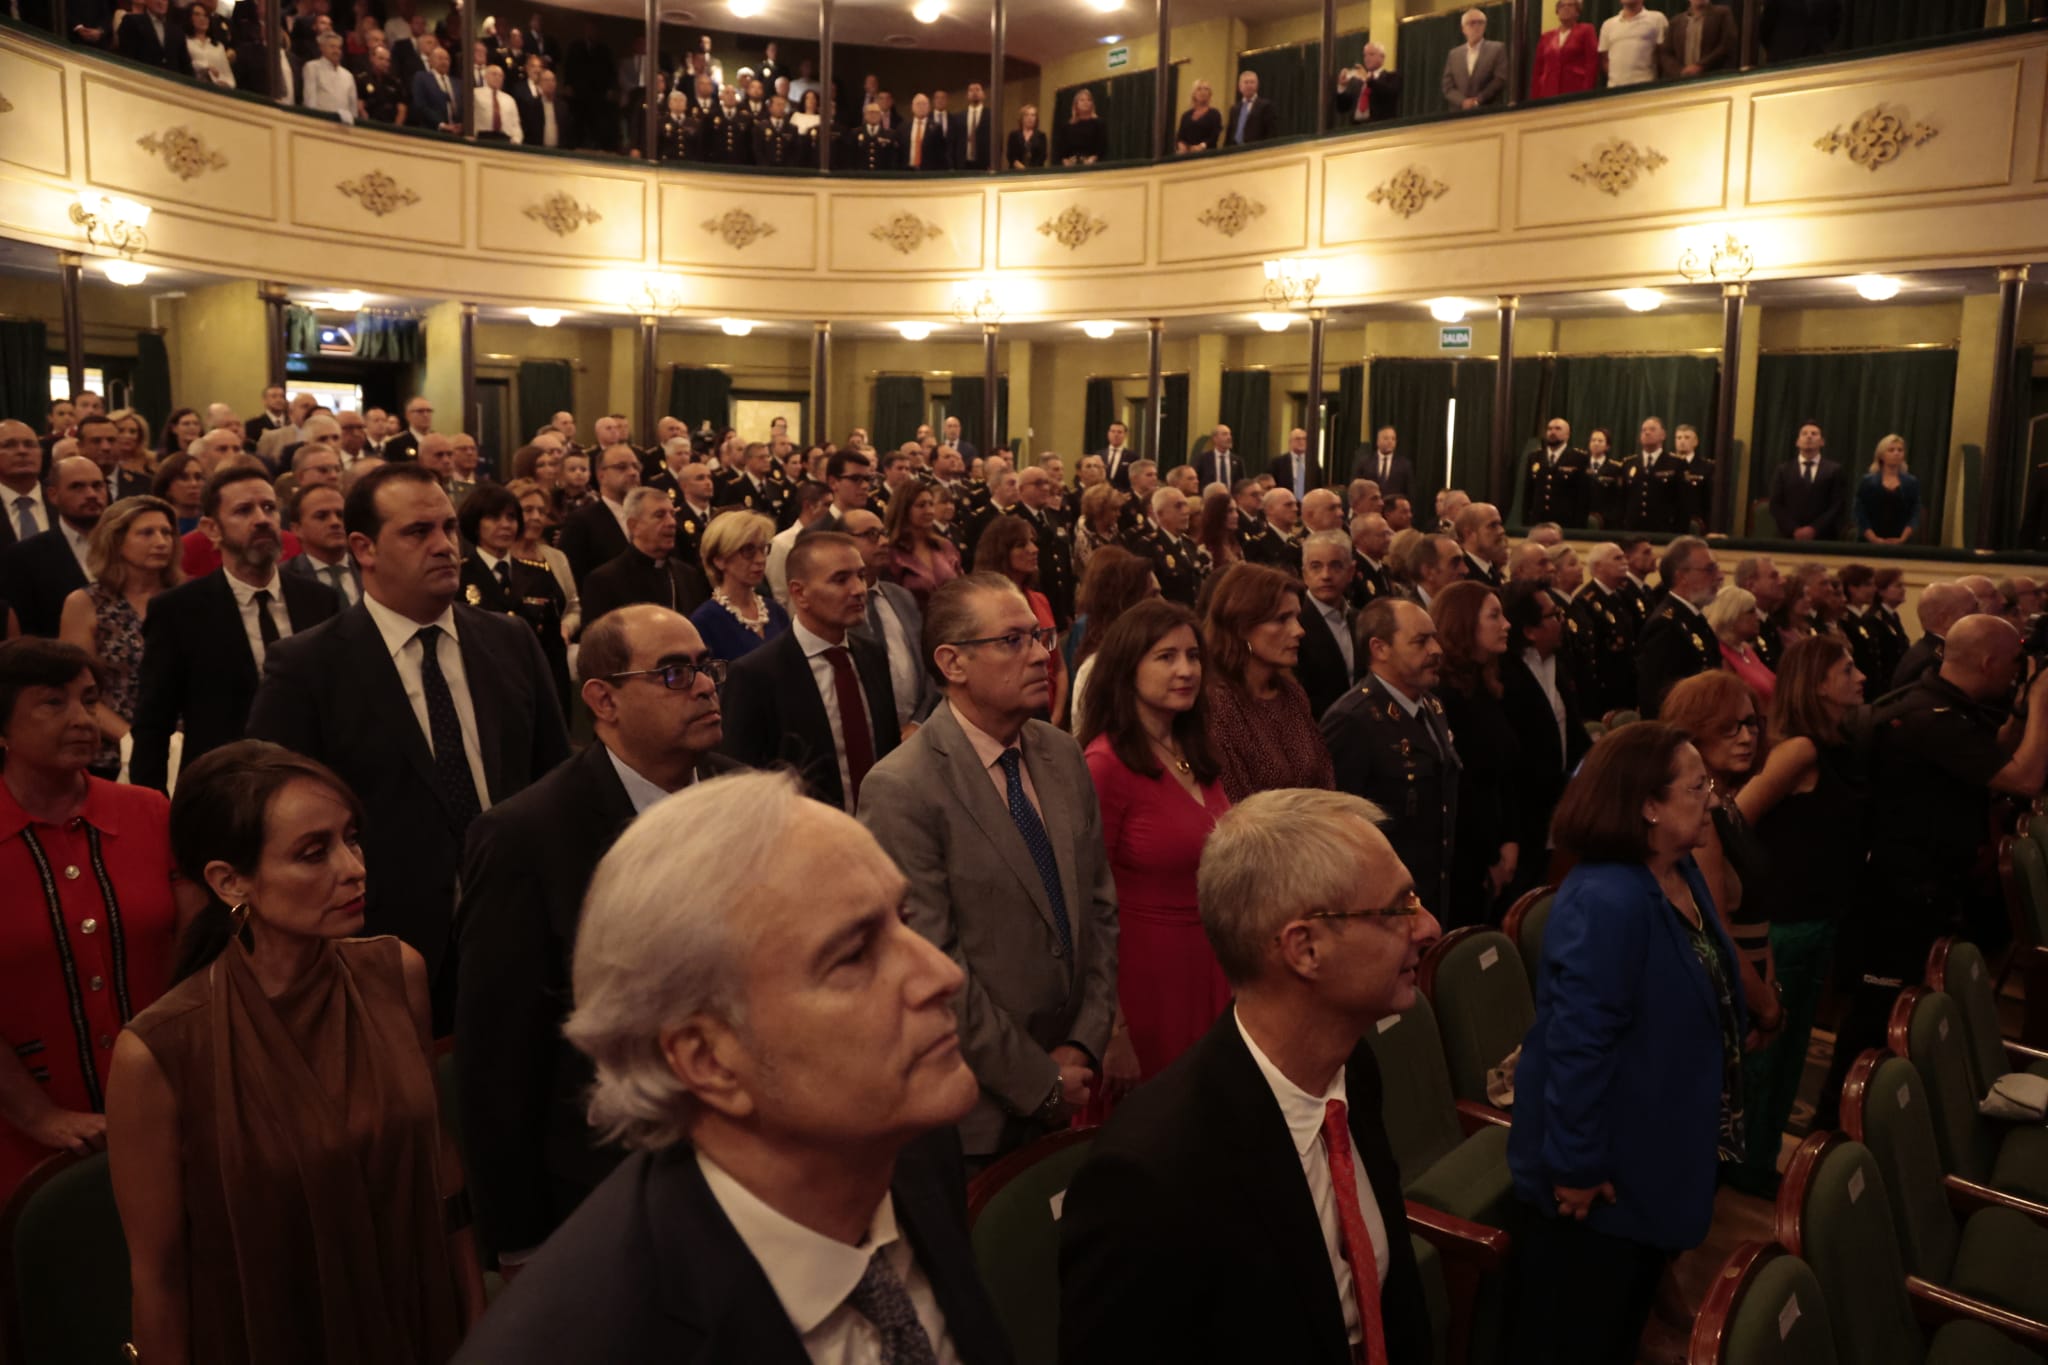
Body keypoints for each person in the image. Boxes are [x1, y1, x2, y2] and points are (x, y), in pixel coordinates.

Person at [449, 768, 1012, 1363]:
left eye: (906, 920)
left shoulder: (909, 1150)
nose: (942, 976)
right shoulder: (580, 1341)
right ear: (709, 1061)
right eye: (852, 956)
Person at [108, 741, 484, 1363]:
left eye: (351, 838)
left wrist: (476, 1316)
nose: (353, 867)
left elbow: (440, 1169)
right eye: (313, 853)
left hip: (419, 1318)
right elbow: (159, 1277)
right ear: (231, 881)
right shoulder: (160, 1051)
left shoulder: (397, 973)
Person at [1060, 787, 1437, 1365]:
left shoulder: (1352, 1069)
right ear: (1304, 949)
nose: (1429, 926)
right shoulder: (1149, 1174)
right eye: (1399, 908)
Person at [455, 606, 740, 1266]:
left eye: (705, 667)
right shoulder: (527, 836)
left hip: (753, 1155)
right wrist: (521, 1238)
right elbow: (498, 1063)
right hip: (610, 1189)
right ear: (603, 699)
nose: (703, 685)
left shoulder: (746, 794)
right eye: (673, 673)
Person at [247, 464, 571, 1018]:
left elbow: (554, 785)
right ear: (364, 548)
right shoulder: (308, 666)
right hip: (383, 947)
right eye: (419, 532)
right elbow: (271, 814)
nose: (445, 546)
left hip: (521, 933)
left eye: (449, 528)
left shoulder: (510, 640)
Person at [1506, 723, 1747, 1365]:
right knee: (1580, 1333)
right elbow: (1578, 1048)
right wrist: (1579, 1170)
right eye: (1698, 786)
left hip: (1654, 1148)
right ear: (1648, 805)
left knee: (1620, 1322)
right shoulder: (1607, 900)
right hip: (1602, 1181)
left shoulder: (1678, 870)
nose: (1714, 797)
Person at [859, 573, 1117, 1164]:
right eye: (1012, 641)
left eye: (1040, 637)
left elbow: (1100, 908)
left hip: (1075, 1079)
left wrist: (1084, 1042)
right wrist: (1037, 1079)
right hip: (975, 1112)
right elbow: (931, 964)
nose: (1039, 657)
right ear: (952, 662)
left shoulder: (1061, 753)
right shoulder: (902, 788)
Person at [1824, 615, 2048, 1122]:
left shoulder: (1945, 706)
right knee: (1869, 1030)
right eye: (2014, 662)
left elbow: (1989, 757)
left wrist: (2022, 710)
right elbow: (2027, 779)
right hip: (1895, 900)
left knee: (1905, 1021)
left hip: (1925, 889)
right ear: (1990, 662)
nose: (2018, 671)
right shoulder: (1930, 719)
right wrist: (2043, 701)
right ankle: (1835, 1138)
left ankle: (1889, 1122)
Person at [0, 639, 190, 1201]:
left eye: (88, 700)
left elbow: (199, 956)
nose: (84, 719)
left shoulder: (150, 811)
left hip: (172, 1113)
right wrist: (39, 1117)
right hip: (27, 1142)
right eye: (53, 703)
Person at [1728, 635, 1869, 1176]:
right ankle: (1747, 1164)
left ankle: (1760, 1159)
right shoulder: (1800, 748)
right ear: (1817, 683)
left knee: (1790, 1053)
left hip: (1817, 918)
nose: (1859, 677)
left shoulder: (1837, 743)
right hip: (1785, 922)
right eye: (1847, 668)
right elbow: (1735, 821)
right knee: (1769, 1053)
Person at [1077, 600, 1230, 1084]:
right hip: (1145, 981)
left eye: (1192, 655)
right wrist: (1112, 1027)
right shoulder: (1104, 765)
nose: (1186, 670)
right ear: (1127, 668)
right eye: (1165, 657)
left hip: (1209, 962)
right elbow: (1082, 903)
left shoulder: (1192, 747)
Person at [130, 469, 344, 792]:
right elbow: (153, 725)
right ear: (211, 529)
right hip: (223, 789)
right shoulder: (179, 610)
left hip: (312, 782)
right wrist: (152, 809)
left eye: (269, 508)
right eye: (244, 511)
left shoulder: (319, 600)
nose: (262, 519)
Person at [719, 532, 897, 813]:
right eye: (840, 580)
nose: (859, 589)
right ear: (799, 593)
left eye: (861, 576)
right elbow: (742, 782)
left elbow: (887, 752)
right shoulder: (755, 674)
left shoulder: (871, 655)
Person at [56, 495, 179, 778]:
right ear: (116, 541)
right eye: (147, 533)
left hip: (186, 746)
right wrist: (133, 739)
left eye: (167, 532)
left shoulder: (188, 597)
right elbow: (77, 690)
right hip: (113, 751)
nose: (161, 541)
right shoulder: (86, 603)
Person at [1202, 563, 1334, 802]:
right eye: (1282, 619)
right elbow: (1235, 807)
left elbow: (1325, 780)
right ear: (1241, 627)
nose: (1299, 630)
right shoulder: (1218, 704)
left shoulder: (1291, 693)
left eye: (1296, 617)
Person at [1428, 582, 1518, 927]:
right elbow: (1464, 787)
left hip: (1495, 844)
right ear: (1464, 624)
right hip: (1466, 860)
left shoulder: (1484, 686)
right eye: (1494, 616)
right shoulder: (1446, 696)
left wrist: (1510, 838)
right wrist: (1490, 856)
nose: (1506, 624)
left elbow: (1504, 773)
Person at [457, 484, 572, 715]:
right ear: (476, 523)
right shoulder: (459, 576)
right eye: (494, 517)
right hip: (479, 694)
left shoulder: (539, 574)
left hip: (530, 691)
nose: (505, 525)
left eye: (511, 517)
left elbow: (553, 650)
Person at [577, 486, 711, 634]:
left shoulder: (688, 575)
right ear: (634, 526)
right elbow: (599, 645)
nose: (672, 522)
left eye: (672, 514)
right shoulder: (604, 581)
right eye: (660, 515)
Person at [976, 515, 1068, 726]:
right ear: (1000, 552)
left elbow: (1059, 666)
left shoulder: (1040, 600)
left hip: (1050, 713)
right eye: (1021, 545)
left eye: (1032, 541)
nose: (1034, 549)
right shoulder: (986, 606)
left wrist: (1057, 715)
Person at [4, 455, 104, 637]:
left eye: (97, 486)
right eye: (77, 486)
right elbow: (27, 632)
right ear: (53, 495)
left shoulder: (128, 546)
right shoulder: (25, 556)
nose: (91, 494)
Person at [1069, 545, 1159, 737]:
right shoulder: (1096, 669)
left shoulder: (1157, 659)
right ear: (1129, 605)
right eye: (1153, 595)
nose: (1162, 603)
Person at [1636, 536, 1722, 716]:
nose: (1719, 577)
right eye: (1710, 570)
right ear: (1682, 576)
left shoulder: (1693, 617)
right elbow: (1658, 695)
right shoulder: (1666, 624)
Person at [686, 508, 786, 660]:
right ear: (719, 560)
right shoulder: (705, 621)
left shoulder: (775, 611)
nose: (760, 559)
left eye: (763, 549)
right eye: (748, 550)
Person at [1296, 530, 1358, 720]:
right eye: (1316, 566)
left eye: (1335, 566)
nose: (1326, 575)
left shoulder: (1359, 619)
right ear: (1305, 574)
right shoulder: (1295, 623)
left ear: (1350, 572)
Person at [880, 481, 963, 613]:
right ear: (904, 509)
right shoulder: (892, 553)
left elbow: (962, 585)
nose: (929, 511)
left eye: (931, 504)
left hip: (952, 623)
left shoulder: (944, 546)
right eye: (921, 505)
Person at [1766, 421, 1846, 541]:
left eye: (1814, 434)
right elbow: (1776, 504)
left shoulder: (1834, 470)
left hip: (1824, 537)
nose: (1809, 436)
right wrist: (1794, 529)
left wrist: (1814, 529)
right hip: (1789, 537)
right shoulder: (1783, 470)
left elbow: (1837, 505)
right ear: (1797, 442)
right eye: (1804, 434)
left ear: (1822, 442)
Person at [1705, 583, 1773, 706]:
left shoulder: (1745, 649)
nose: (1757, 616)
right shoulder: (1721, 654)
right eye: (1751, 611)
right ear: (1731, 615)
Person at [1853, 433, 1921, 545]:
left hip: (1901, 542)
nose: (1896, 453)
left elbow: (1915, 513)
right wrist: (1873, 539)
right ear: (1881, 455)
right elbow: (1859, 512)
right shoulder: (1868, 481)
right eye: (1891, 450)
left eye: (1900, 450)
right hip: (1869, 542)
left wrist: (1902, 539)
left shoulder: (1911, 482)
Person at [1442, 7, 1508, 109]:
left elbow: (1500, 79)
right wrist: (1463, 102)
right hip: (1459, 114)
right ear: (1463, 29)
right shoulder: (1454, 55)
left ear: (1485, 26)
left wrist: (1478, 100)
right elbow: (1448, 87)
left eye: (1480, 22)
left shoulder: (1497, 49)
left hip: (1489, 110)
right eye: (1472, 23)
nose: (1476, 26)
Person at [1530, 0, 1598, 97]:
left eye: (1570, 5)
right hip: (1548, 92)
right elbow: (1538, 70)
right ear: (1557, 11)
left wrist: (1586, 92)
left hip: (1576, 90)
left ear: (1577, 11)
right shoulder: (1546, 37)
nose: (1566, 8)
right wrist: (1535, 97)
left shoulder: (1586, 30)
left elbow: (1592, 63)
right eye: (1562, 6)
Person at [1598, 0, 1669, 87]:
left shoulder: (1657, 19)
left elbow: (1663, 55)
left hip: (1645, 88)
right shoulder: (1608, 25)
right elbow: (1604, 59)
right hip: (1615, 89)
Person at [1338, 41, 1403, 123]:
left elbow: (1389, 93)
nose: (1367, 58)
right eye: (1365, 55)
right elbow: (1342, 108)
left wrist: (1368, 80)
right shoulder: (1357, 82)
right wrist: (1342, 87)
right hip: (1356, 130)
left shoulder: (1392, 77)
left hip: (1380, 128)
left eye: (1371, 54)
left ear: (1382, 57)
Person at [1222, 69, 1276, 146]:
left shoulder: (1266, 106)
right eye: (1246, 82)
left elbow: (1271, 133)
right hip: (1235, 150)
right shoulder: (1234, 109)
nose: (1249, 85)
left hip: (1255, 150)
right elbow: (1230, 133)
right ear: (1240, 86)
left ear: (1257, 85)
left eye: (1252, 82)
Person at [1057, 88, 1107, 165]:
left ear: (1092, 104)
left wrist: (1091, 160)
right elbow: (1062, 151)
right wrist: (1066, 161)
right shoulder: (1067, 126)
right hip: (1071, 167)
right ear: (1076, 104)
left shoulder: (1099, 124)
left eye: (1089, 100)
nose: (1085, 102)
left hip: (1093, 165)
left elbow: (1102, 147)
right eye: (1082, 100)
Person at [1175, 78, 1222, 152]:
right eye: (1199, 89)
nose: (1203, 92)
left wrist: (1201, 146)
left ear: (1210, 93)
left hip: (1208, 155)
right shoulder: (1185, 116)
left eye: (1206, 89)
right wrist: (1181, 145)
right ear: (1194, 93)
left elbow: (1215, 136)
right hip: (1187, 156)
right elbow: (1180, 136)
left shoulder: (1215, 114)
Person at [1006, 102, 1048, 168]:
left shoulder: (1041, 136)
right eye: (1027, 115)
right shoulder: (1014, 135)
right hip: (1016, 172)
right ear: (1022, 118)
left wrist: (1030, 170)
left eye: (1033, 115)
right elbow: (1010, 156)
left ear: (1036, 118)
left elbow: (1042, 157)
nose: (1030, 118)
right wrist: (1021, 167)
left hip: (1035, 173)